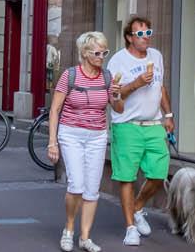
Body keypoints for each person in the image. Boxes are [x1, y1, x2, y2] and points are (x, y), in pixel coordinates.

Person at [106, 15, 172, 247]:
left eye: (148, 33)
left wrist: (168, 115)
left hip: (153, 124)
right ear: (129, 37)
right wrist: (136, 83)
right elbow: (114, 95)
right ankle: (130, 228)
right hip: (127, 125)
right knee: (127, 177)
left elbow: (160, 87)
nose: (146, 38)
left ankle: (137, 207)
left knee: (158, 174)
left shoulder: (156, 56)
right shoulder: (118, 60)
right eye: (140, 34)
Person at [47, 31, 115, 252]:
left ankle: (85, 237)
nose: (101, 57)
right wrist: (52, 142)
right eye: (97, 53)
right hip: (71, 134)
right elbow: (55, 110)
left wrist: (117, 95)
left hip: (97, 136)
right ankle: (69, 229)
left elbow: (119, 108)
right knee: (76, 185)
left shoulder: (107, 77)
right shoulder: (70, 75)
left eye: (104, 52)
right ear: (85, 53)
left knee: (92, 189)